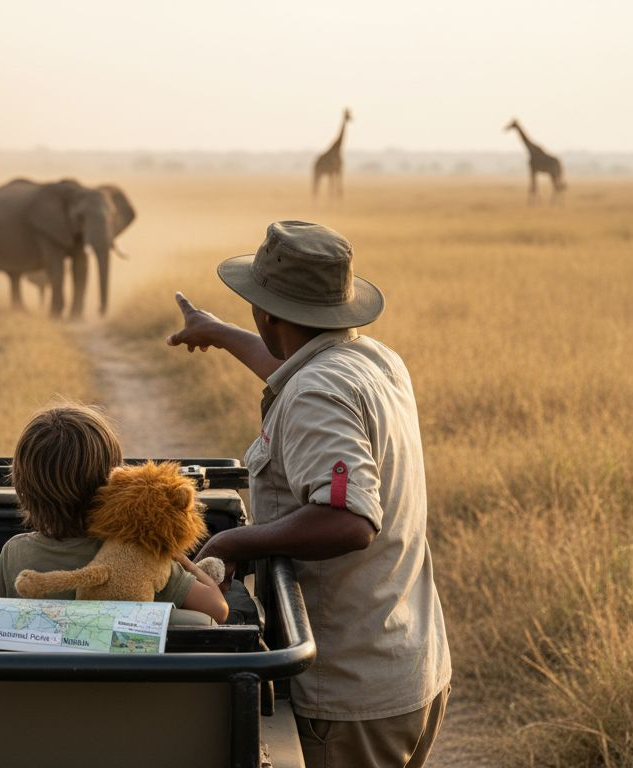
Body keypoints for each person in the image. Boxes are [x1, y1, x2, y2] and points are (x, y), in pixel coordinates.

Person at [168, 221, 450, 766]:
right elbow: (295, 366)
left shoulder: (317, 391)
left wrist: (235, 544)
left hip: (347, 696)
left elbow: (349, 520)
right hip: (408, 663)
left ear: (267, 312)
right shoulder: (373, 359)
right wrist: (222, 333)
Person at [0, 403, 228, 623]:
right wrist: (187, 564)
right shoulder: (140, 556)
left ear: (23, 488)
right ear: (114, 484)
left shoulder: (14, 554)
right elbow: (218, 610)